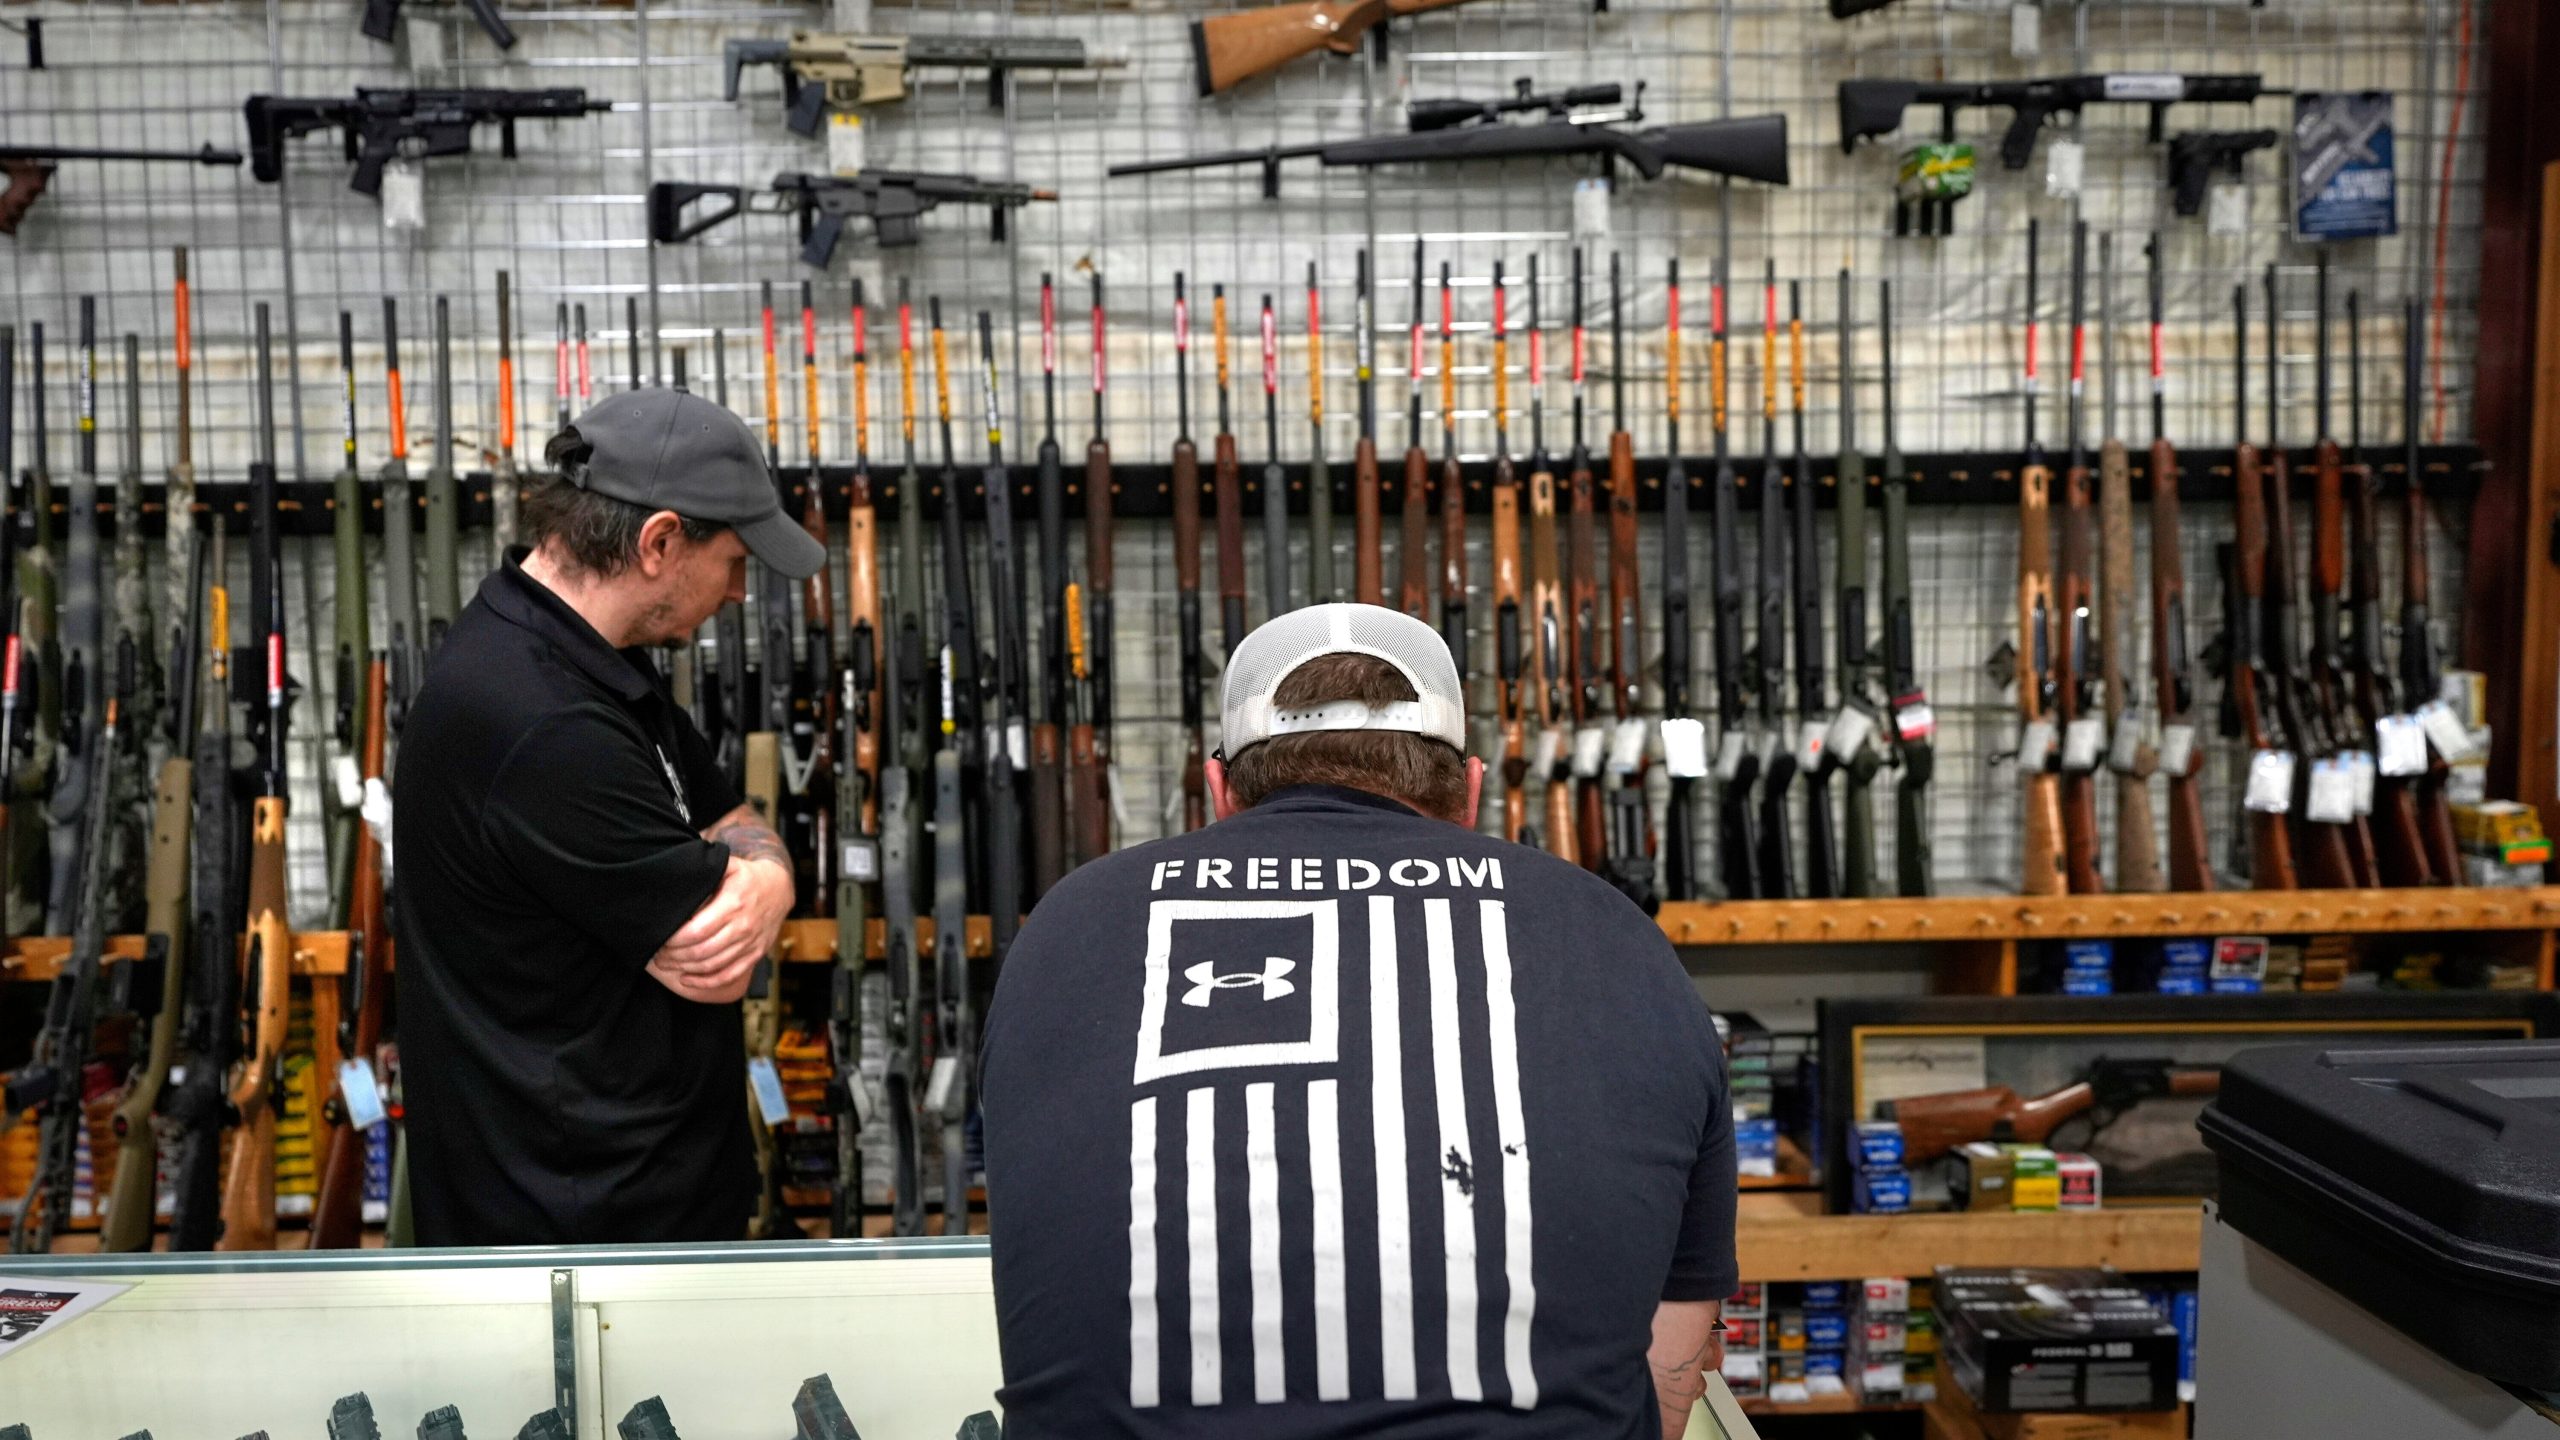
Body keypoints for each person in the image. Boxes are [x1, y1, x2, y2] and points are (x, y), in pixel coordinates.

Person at [983, 603, 1737, 1439]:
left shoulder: (1069, 927)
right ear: (1473, 793)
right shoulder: (1616, 937)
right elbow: (1673, 1354)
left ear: (1218, 789)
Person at [392, 386, 824, 1246]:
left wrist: (765, 877)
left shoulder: (582, 659)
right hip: (579, 1239)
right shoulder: (543, 720)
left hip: (628, 1205)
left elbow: (736, 819)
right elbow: (721, 954)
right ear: (662, 541)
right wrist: (756, 876)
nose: (740, 592)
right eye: (735, 561)